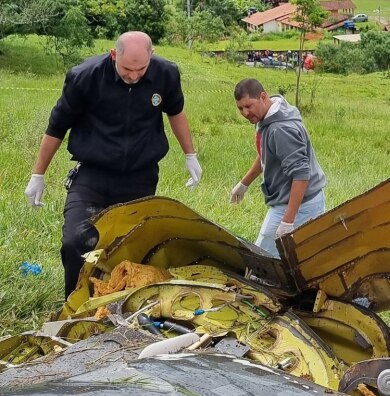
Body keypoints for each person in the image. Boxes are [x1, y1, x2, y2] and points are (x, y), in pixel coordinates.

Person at [25, 31, 202, 297]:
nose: (133, 76)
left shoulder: (166, 74)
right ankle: (75, 303)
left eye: (140, 69)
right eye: (126, 68)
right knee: (77, 241)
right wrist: (38, 174)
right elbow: (57, 126)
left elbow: (175, 112)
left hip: (140, 177)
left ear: (151, 57)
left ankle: (119, 302)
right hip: (93, 175)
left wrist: (190, 154)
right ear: (113, 54)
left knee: (134, 245)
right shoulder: (85, 76)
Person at [231, 78, 326, 257]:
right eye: (240, 108)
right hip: (299, 199)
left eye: (248, 106)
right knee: (297, 260)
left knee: (262, 261)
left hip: (301, 203)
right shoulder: (269, 114)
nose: (245, 113)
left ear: (263, 97)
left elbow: (301, 175)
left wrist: (287, 222)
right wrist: (244, 183)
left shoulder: (280, 129)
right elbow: (267, 153)